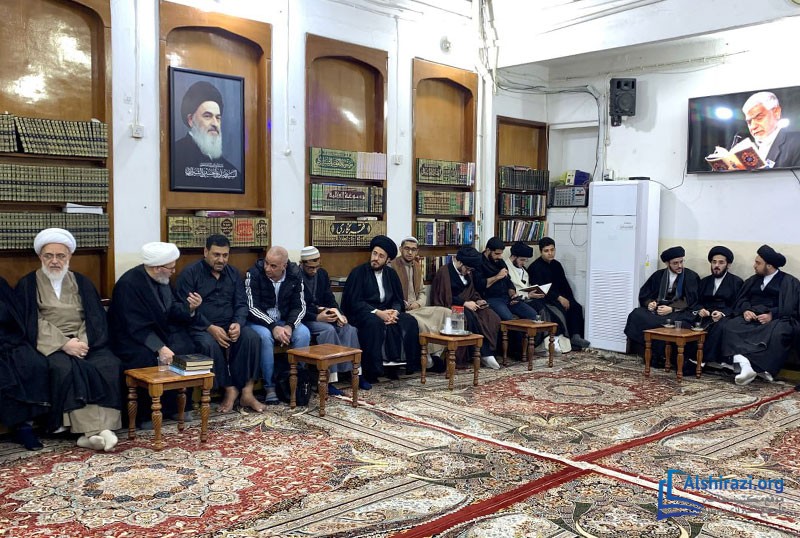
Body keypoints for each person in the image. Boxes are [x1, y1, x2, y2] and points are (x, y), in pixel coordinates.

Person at [16, 228, 122, 451]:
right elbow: (31, 321)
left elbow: (93, 316)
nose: (54, 261)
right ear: (40, 257)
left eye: (60, 256)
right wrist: (64, 344)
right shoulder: (28, 284)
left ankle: (94, 433)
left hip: (85, 340)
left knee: (107, 363)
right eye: (49, 256)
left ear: (69, 256)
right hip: (51, 344)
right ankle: (94, 430)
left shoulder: (82, 282)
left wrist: (81, 343)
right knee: (64, 367)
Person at [108, 242, 202, 421]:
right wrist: (160, 347)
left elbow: (171, 308)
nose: (174, 271)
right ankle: (146, 415)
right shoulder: (129, 284)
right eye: (171, 268)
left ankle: (178, 406)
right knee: (145, 357)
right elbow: (134, 325)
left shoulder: (162, 279)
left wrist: (190, 308)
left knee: (186, 347)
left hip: (159, 332)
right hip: (132, 339)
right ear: (157, 267)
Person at [176, 234, 264, 413]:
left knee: (252, 337)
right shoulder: (190, 274)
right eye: (216, 255)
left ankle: (247, 392)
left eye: (225, 255)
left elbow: (241, 304)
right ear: (205, 252)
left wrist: (238, 323)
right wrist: (210, 328)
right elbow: (186, 309)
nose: (221, 260)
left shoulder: (233, 273)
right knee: (208, 344)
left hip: (229, 324)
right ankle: (229, 389)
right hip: (201, 327)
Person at [341, 235, 421, 384]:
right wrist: (378, 313)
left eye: (381, 256)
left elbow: (397, 299)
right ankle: (372, 371)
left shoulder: (391, 274)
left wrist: (394, 312)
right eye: (374, 254)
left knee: (409, 321)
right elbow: (354, 301)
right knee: (374, 323)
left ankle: (401, 366)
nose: (376, 258)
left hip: (387, 311)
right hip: (364, 313)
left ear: (388, 260)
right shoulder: (358, 273)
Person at [719, 245, 800, 385]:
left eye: (758, 263)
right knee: (729, 326)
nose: (754, 266)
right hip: (751, 316)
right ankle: (745, 365)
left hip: (776, 318)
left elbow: (790, 306)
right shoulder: (753, 280)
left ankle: (759, 368)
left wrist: (772, 315)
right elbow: (742, 299)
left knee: (779, 332)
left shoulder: (789, 282)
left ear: (769, 265)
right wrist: (746, 310)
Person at [245, 246, 311, 404]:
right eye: (266, 263)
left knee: (303, 333)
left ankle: (296, 381)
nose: (267, 268)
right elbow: (252, 307)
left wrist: (289, 326)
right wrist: (273, 326)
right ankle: (270, 387)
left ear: (284, 266)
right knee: (265, 337)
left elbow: (300, 307)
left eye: (273, 266)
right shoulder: (253, 273)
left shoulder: (295, 275)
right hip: (259, 321)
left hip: (285, 320)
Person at [298, 245, 361, 394]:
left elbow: (330, 299)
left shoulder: (322, 274)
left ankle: (355, 374)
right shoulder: (295, 276)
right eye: (310, 268)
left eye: (317, 267)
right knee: (328, 330)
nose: (314, 271)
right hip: (307, 318)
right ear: (302, 264)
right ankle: (329, 380)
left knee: (349, 329)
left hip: (324, 315)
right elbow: (296, 307)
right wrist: (317, 317)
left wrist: (340, 314)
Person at [431, 246, 502, 369]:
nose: (469, 272)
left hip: (469, 304)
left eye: (471, 270)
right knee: (469, 316)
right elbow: (444, 297)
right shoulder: (444, 272)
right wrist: (464, 303)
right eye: (467, 269)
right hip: (450, 306)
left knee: (491, 316)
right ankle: (483, 353)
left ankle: (488, 352)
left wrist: (478, 300)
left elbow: (472, 291)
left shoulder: (469, 272)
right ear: (459, 262)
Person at [0, 276, 49, 450]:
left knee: (34, 363)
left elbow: (14, 315)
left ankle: (26, 425)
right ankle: (19, 425)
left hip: (8, 338)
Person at [624, 246, 701, 347]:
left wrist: (672, 309)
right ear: (667, 264)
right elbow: (645, 294)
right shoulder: (658, 275)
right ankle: (647, 348)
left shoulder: (691, 276)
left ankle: (661, 352)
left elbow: (692, 299)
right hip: (658, 309)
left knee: (678, 322)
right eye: (675, 263)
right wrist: (650, 303)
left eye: (681, 262)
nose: (680, 266)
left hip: (678, 311)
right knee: (636, 313)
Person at [393, 236, 449, 372]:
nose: (410, 252)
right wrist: (404, 304)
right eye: (407, 249)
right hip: (403, 309)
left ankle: (436, 354)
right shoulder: (392, 266)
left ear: (417, 251)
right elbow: (391, 293)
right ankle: (428, 359)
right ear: (401, 249)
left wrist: (418, 303)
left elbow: (422, 291)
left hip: (417, 307)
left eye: (413, 250)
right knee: (421, 323)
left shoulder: (417, 266)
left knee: (446, 312)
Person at [527, 237, 590, 349]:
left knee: (576, 307)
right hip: (546, 298)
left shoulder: (557, 265)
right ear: (541, 251)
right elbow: (541, 289)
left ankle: (576, 336)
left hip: (560, 296)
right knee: (559, 311)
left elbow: (564, 284)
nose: (550, 253)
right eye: (546, 251)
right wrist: (559, 298)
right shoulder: (535, 267)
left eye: (552, 250)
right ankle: (566, 341)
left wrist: (570, 299)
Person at [173, 80, 241, 183]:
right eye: (207, 116)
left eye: (218, 118)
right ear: (190, 120)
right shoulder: (175, 157)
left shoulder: (231, 173)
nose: (215, 123)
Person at [693, 246, 744, 366]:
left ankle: (703, 359)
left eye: (721, 262)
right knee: (687, 322)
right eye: (714, 262)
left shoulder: (736, 282)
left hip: (725, 315)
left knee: (720, 326)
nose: (717, 265)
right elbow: (696, 301)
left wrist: (722, 313)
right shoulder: (704, 281)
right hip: (705, 314)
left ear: (728, 265)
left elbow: (738, 305)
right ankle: (689, 356)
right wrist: (700, 309)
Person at [476, 236, 540, 325]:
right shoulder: (479, 262)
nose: (500, 257)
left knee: (532, 314)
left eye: (501, 254)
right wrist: (497, 277)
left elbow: (508, 281)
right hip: (491, 298)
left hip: (507, 297)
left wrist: (513, 294)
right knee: (508, 318)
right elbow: (479, 284)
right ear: (488, 250)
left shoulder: (500, 261)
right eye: (497, 254)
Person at [741, 91, 800, 169]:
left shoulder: (797, 142)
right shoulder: (747, 150)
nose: (753, 126)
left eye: (759, 118)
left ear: (776, 112)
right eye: (749, 122)